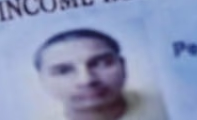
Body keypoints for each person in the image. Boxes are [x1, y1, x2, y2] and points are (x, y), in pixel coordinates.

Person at [33, 29, 167, 120]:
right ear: (42, 80)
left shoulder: (167, 102)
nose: (86, 80)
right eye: (64, 71)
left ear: (123, 65)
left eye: (101, 64)